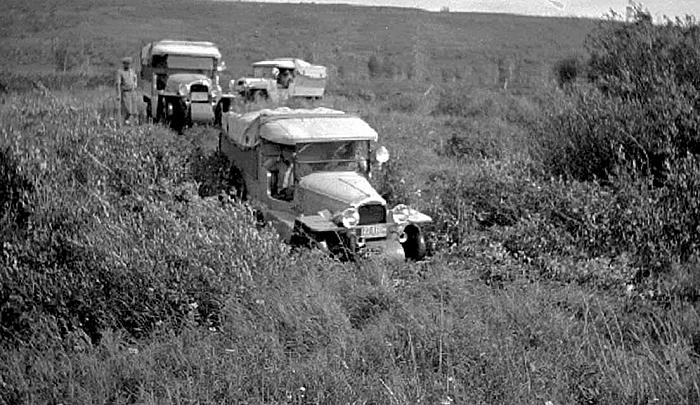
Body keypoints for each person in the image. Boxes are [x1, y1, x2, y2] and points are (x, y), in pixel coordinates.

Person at [116, 57, 138, 125]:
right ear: (124, 64)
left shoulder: (132, 71)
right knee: (127, 109)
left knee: (134, 110)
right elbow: (118, 84)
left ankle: (133, 123)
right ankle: (125, 121)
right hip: (125, 92)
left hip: (133, 91)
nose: (128, 65)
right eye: (126, 64)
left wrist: (135, 83)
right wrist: (118, 94)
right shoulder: (120, 72)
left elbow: (135, 78)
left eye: (129, 64)